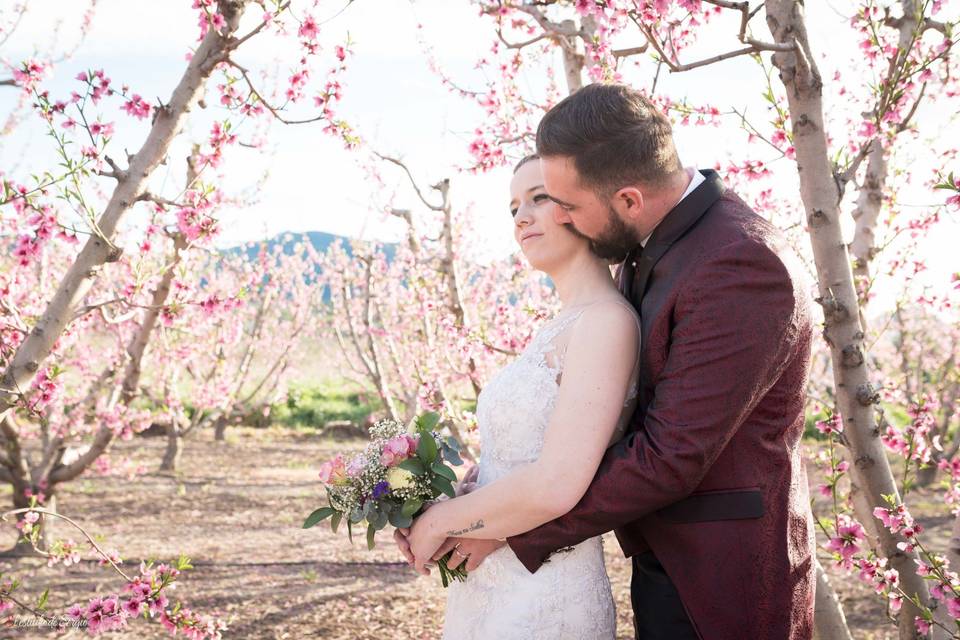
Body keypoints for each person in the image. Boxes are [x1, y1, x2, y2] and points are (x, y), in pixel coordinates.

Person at [398, 82, 816, 640]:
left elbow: (670, 455)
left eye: (565, 204)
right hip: (665, 563)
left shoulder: (740, 263)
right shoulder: (647, 255)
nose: (557, 217)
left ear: (628, 200)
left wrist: (506, 527)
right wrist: (486, 496)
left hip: (724, 581)